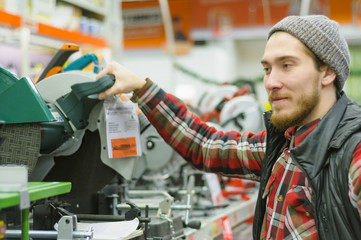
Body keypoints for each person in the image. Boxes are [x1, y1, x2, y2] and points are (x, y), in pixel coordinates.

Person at [96, 15, 361, 239]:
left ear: (327, 72)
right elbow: (205, 146)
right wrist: (142, 88)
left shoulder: (352, 151)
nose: (271, 82)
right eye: (267, 69)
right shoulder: (285, 144)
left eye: (287, 65)